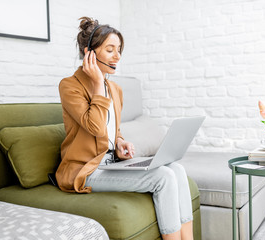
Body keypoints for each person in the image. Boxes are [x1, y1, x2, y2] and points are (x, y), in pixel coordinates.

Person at [55, 16, 194, 240]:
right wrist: (98, 83)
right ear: (89, 52)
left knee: (176, 170)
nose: (117, 56)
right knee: (164, 177)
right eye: (110, 50)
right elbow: (95, 126)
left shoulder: (116, 89)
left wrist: (119, 143)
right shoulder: (70, 85)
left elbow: (111, 131)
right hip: (86, 170)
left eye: (119, 49)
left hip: (112, 164)